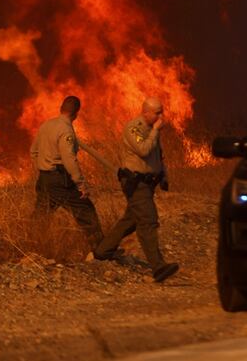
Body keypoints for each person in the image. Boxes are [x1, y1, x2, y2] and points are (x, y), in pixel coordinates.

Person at [94, 97, 179, 283]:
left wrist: (163, 176)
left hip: (148, 183)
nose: (160, 116)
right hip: (136, 182)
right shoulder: (134, 128)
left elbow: (158, 156)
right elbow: (143, 150)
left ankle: (102, 250)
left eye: (161, 112)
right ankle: (158, 267)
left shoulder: (152, 131)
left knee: (131, 219)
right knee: (147, 220)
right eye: (157, 112)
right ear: (146, 112)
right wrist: (155, 131)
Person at [30, 96, 104, 251]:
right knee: (85, 211)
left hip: (44, 178)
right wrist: (80, 184)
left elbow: (34, 151)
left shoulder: (46, 125)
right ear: (76, 114)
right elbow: (69, 160)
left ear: (60, 108)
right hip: (60, 179)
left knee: (41, 215)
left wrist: (44, 167)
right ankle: (101, 250)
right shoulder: (66, 130)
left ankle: (33, 247)